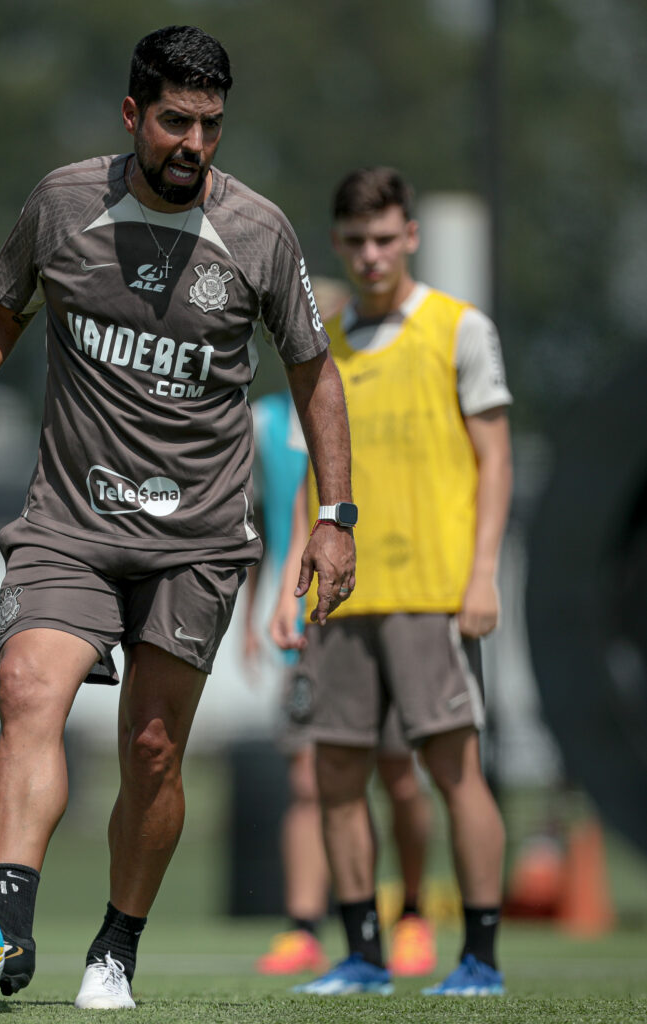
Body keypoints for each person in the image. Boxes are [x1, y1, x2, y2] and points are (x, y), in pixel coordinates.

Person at [0, 26, 356, 1010]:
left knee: (151, 746)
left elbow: (315, 375)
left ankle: (115, 944)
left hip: (195, 536)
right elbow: (0, 312)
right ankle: (6, 926)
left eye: (212, 125)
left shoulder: (262, 231)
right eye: (176, 121)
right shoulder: (64, 202)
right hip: (69, 517)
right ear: (132, 115)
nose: (194, 142)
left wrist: (336, 514)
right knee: (28, 689)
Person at [270, 166, 513, 997]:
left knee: (452, 771)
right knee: (335, 777)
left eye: (385, 238)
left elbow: (495, 461)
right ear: (336, 244)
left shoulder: (459, 329)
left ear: (409, 235)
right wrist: (283, 590)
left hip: (433, 592)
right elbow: (311, 481)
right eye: (355, 241)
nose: (371, 255)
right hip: (340, 602)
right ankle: (361, 954)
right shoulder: (321, 343)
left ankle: (478, 956)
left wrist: (481, 578)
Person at [247, 285, 436, 980]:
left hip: (392, 604)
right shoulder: (268, 421)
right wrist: (264, 606)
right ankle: (305, 927)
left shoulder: (373, 387)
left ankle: (412, 913)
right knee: (310, 774)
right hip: (309, 614)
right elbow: (276, 523)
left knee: (397, 773)